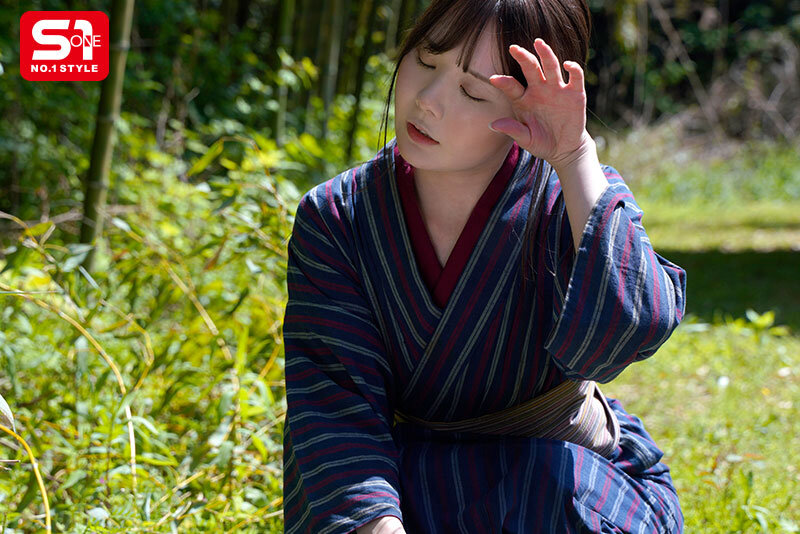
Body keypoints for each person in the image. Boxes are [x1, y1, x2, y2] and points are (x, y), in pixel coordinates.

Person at [282, 0, 687, 532]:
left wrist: (574, 156)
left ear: (529, 106)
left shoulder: (570, 200)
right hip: (397, 488)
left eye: (472, 91)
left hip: (552, 486)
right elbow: (334, 403)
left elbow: (633, 327)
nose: (427, 101)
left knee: (539, 484)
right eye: (426, 60)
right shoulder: (337, 215)